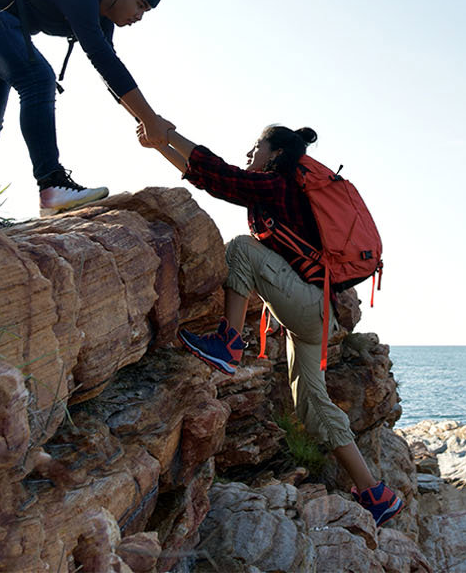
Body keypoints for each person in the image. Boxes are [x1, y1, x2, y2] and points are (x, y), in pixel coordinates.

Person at [144, 122, 404, 527]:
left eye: (256, 147)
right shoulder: (278, 191)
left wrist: (169, 135)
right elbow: (216, 177)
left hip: (309, 308)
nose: (250, 154)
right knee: (312, 404)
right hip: (317, 315)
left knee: (241, 248)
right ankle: (376, 493)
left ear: (276, 153)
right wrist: (163, 144)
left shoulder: (279, 187)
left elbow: (223, 178)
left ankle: (229, 343)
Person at [0, 0, 173, 212]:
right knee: (37, 79)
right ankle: (51, 184)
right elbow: (102, 58)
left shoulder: (102, 18)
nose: (139, 17)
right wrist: (149, 119)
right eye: (140, 5)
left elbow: (111, 73)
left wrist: (146, 121)